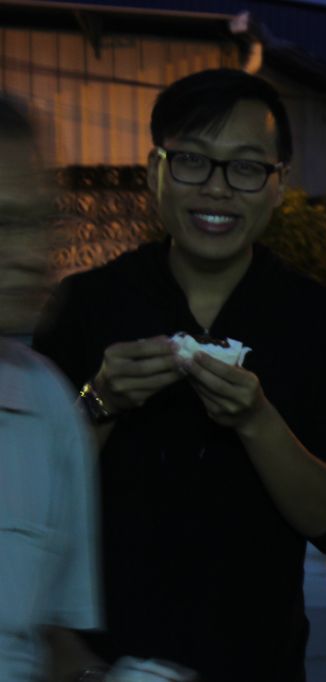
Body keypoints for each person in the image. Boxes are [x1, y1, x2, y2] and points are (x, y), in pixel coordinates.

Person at [33, 69, 326, 682]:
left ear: (279, 184)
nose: (216, 189)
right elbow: (33, 501)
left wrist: (257, 421)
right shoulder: (86, 305)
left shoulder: (324, 322)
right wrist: (99, 400)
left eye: (245, 167)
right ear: (154, 170)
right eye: (192, 160)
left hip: (259, 662)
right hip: (103, 666)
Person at [0, 93, 108, 682]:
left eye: (42, 222)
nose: (32, 254)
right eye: (4, 223)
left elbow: (52, 640)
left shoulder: (49, 403)